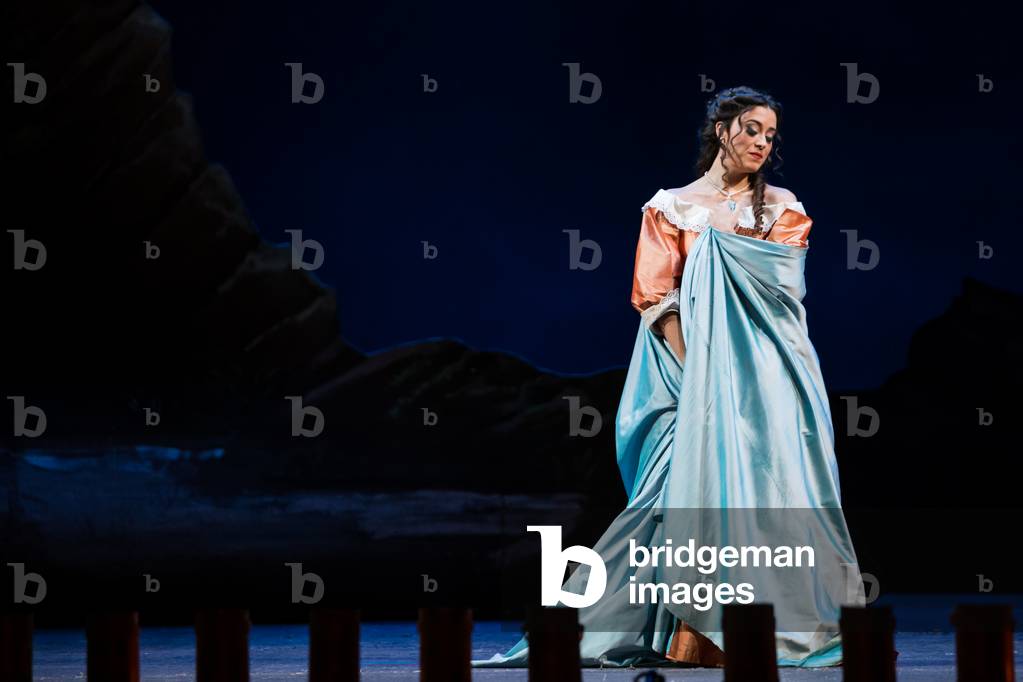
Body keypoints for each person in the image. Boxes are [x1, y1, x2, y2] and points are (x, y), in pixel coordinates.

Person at [473, 86, 865, 669]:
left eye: (770, 135)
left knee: (774, 490)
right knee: (674, 492)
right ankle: (680, 632)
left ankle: (768, 624)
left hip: (769, 372)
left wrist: (738, 368)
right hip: (686, 370)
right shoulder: (671, 207)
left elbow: (779, 295)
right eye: (752, 129)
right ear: (722, 130)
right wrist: (699, 371)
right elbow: (656, 296)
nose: (762, 142)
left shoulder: (781, 207)